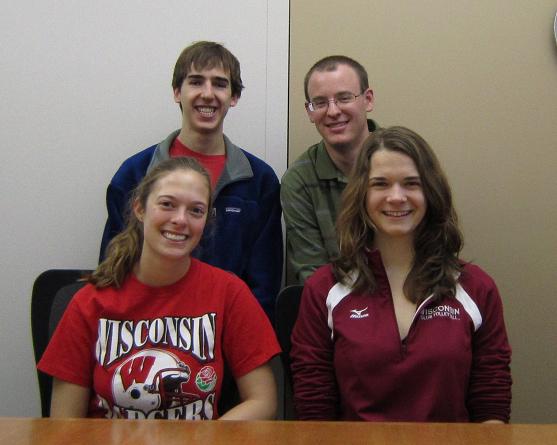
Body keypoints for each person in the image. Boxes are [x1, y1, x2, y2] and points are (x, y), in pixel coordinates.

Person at [290, 126, 512, 422]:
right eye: (380, 184)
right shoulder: (324, 289)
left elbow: (491, 410)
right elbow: (314, 413)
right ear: (361, 195)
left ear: (431, 192)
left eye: (411, 183)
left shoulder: (476, 288)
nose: (396, 197)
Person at [39, 158, 280, 420]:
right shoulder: (89, 302)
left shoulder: (229, 292)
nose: (180, 220)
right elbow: (64, 424)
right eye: (167, 204)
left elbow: (263, 401)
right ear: (140, 208)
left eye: (196, 211)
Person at [100, 41, 282, 319]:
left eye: (220, 84)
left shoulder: (260, 181)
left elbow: (264, 287)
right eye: (196, 82)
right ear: (177, 92)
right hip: (146, 330)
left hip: (229, 336)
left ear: (234, 97)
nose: (208, 94)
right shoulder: (136, 173)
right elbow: (113, 270)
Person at [281, 55, 378, 284]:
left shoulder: (406, 161)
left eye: (344, 98)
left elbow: (429, 249)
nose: (333, 111)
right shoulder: (298, 181)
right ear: (309, 111)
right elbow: (315, 279)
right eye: (321, 102)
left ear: (368, 99)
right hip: (339, 311)